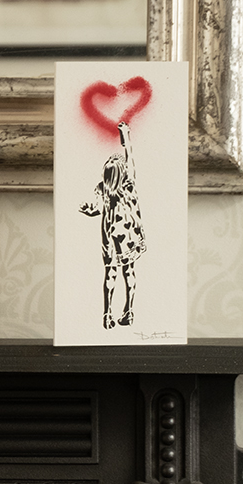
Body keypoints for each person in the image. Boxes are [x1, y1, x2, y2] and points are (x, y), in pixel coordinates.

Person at [79, 121, 146, 329]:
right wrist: (126, 136)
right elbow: (130, 155)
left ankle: (107, 314)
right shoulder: (129, 184)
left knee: (111, 272)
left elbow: (95, 210)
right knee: (129, 271)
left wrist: (87, 210)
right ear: (122, 171)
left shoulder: (103, 189)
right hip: (130, 235)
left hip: (111, 236)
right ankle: (129, 311)